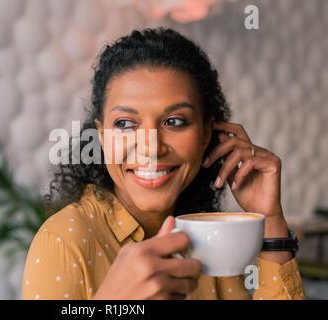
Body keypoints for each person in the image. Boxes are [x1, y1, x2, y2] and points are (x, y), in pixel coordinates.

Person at [22, 27, 305, 300]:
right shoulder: (64, 240)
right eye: (125, 124)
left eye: (174, 121)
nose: (152, 148)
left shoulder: (206, 234)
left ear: (206, 134)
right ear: (102, 137)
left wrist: (271, 221)